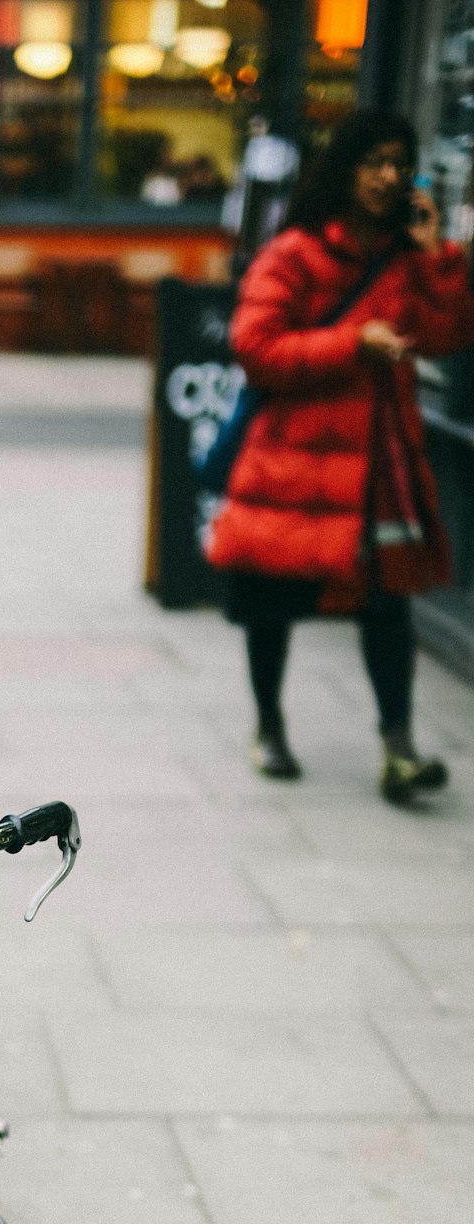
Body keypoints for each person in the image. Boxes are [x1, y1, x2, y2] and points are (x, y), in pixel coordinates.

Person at [207, 109, 474, 804]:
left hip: (377, 470)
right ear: (345, 170)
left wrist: (437, 254)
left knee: (389, 605)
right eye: (374, 162)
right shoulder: (295, 253)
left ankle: (400, 749)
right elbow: (255, 346)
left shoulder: (405, 254)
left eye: (399, 163)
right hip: (295, 464)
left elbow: (444, 337)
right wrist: (352, 344)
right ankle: (268, 725)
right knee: (273, 604)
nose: (388, 177)